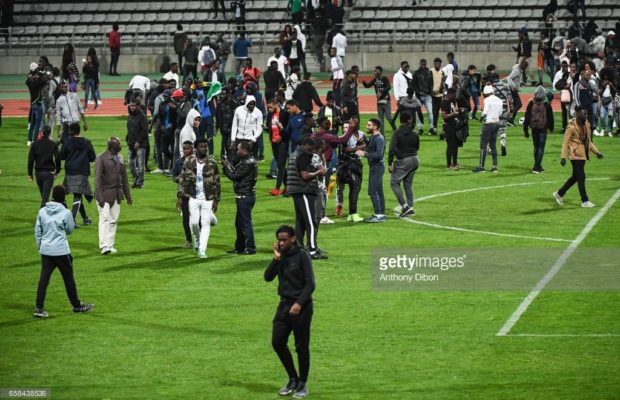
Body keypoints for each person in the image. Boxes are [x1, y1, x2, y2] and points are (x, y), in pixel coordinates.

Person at [264, 224, 315, 399]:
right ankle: (292, 378)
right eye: (279, 240)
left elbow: (310, 284)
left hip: (302, 307)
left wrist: (299, 303)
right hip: (284, 306)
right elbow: (267, 277)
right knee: (277, 342)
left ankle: (302, 384)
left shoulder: (302, 256)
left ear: (293, 239)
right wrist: (276, 259)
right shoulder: (281, 257)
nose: (281, 243)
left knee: (301, 346)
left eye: (285, 240)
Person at [34, 185, 94, 318]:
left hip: (46, 251)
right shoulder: (66, 212)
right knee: (68, 279)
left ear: (53, 196)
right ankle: (77, 306)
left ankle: (38, 308)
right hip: (61, 251)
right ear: (63, 198)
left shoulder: (43, 211)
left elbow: (38, 230)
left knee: (44, 279)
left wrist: (40, 246)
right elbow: (70, 230)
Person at [177, 137, 220, 258]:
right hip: (193, 196)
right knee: (194, 222)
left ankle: (202, 249)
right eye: (201, 146)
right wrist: (180, 196)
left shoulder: (212, 163)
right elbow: (182, 178)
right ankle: (195, 238)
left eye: (205, 146)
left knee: (205, 223)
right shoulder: (189, 161)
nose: (204, 148)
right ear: (196, 148)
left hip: (207, 198)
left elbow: (217, 182)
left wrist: (216, 200)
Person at [286, 137, 327, 260]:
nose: (313, 151)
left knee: (300, 222)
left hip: (296, 190)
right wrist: (318, 172)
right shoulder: (303, 155)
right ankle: (312, 250)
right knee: (310, 221)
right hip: (303, 190)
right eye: (312, 148)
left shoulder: (294, 154)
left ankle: (298, 248)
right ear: (307, 145)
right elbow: (305, 176)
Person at [553, 107, 603, 208]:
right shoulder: (571, 127)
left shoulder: (587, 125)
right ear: (578, 114)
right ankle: (584, 201)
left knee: (575, 177)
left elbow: (588, 142)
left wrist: (597, 152)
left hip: (583, 155)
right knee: (581, 177)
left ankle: (559, 194)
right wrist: (563, 157)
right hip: (574, 155)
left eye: (586, 114)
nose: (586, 116)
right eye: (584, 114)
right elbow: (565, 142)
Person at [94, 137, 133, 255]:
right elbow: (97, 180)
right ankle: (103, 246)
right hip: (104, 194)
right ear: (111, 146)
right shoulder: (101, 158)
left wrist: (128, 196)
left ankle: (110, 245)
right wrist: (99, 197)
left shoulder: (120, 158)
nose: (120, 146)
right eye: (118, 144)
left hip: (116, 194)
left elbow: (124, 178)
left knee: (113, 220)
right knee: (104, 218)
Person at [222, 141, 258, 254]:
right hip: (245, 195)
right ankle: (240, 247)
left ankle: (250, 248)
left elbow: (234, 176)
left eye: (238, 150)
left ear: (244, 150)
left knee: (245, 223)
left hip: (244, 197)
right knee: (239, 223)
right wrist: (228, 164)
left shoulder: (247, 163)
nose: (237, 152)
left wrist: (225, 167)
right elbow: (237, 172)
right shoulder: (248, 161)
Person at [58, 122, 96, 226]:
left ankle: (82, 218)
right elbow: (93, 157)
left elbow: (61, 156)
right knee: (78, 195)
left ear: (71, 131)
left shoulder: (67, 142)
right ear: (79, 131)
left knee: (76, 195)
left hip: (70, 171)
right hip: (82, 171)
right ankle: (73, 221)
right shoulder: (87, 142)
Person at [388, 112, 419, 218]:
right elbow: (417, 146)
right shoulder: (415, 133)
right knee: (407, 184)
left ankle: (405, 207)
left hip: (404, 161)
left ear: (400, 120)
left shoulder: (397, 133)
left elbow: (391, 149)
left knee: (394, 183)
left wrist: (390, 162)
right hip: (415, 159)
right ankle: (410, 207)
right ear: (409, 120)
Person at [356, 119, 386, 223]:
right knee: (379, 191)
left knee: (372, 191)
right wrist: (363, 143)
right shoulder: (373, 137)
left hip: (377, 167)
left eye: (369, 125)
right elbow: (370, 149)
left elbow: (379, 154)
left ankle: (378, 215)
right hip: (375, 167)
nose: (367, 126)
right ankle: (381, 214)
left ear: (375, 127)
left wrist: (364, 154)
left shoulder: (379, 139)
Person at [335, 121, 366, 221]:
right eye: (344, 127)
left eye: (347, 127)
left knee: (353, 189)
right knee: (343, 188)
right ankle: (342, 207)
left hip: (351, 164)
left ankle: (351, 213)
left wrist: (361, 143)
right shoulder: (343, 138)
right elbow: (343, 152)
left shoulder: (359, 135)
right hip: (346, 166)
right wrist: (359, 147)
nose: (345, 129)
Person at [28, 125, 61, 208]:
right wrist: (57, 170)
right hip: (49, 173)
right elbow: (58, 158)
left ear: (41, 132)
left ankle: (44, 217)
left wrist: (30, 174)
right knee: (45, 198)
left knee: (44, 197)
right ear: (50, 133)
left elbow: (31, 160)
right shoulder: (53, 144)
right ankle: (42, 218)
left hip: (38, 174)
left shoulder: (34, 144)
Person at [523, 86, 554, 173]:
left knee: (536, 147)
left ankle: (538, 165)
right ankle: (536, 167)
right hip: (543, 127)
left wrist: (525, 130)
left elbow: (527, 117)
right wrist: (551, 127)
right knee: (541, 148)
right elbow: (550, 117)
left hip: (534, 127)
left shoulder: (531, 103)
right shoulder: (547, 104)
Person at [473, 85, 503, 173]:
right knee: (493, 145)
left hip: (488, 124)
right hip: (496, 123)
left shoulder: (487, 100)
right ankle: (494, 167)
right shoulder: (499, 100)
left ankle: (481, 167)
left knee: (483, 146)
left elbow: (485, 112)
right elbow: (500, 113)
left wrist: (482, 116)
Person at [172, 140, 195, 248]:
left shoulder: (197, 161)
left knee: (196, 218)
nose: (186, 151)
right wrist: (180, 179)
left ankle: (198, 239)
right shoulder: (179, 162)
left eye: (188, 148)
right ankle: (189, 240)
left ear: (193, 149)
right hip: (184, 194)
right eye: (185, 148)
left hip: (195, 194)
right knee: (185, 218)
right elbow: (174, 176)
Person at [266, 99, 290, 196]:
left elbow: (288, 129)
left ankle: (277, 189)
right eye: (268, 107)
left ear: (276, 105)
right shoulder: (270, 114)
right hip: (274, 142)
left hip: (282, 142)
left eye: (271, 107)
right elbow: (270, 128)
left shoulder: (284, 114)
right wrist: (267, 129)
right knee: (281, 166)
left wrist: (281, 137)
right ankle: (287, 187)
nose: (269, 109)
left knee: (280, 165)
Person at [362, 66, 392, 134]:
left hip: (386, 101)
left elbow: (389, 87)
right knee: (381, 119)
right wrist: (364, 83)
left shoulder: (385, 79)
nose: (374, 72)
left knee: (389, 117)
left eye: (376, 71)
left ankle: (395, 130)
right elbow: (367, 86)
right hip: (379, 102)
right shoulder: (375, 79)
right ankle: (382, 133)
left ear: (380, 72)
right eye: (374, 71)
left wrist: (381, 92)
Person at [126, 99, 149, 188]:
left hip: (141, 144)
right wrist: (128, 140)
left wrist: (138, 142)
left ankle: (140, 183)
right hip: (131, 144)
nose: (132, 107)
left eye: (134, 106)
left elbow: (144, 131)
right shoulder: (130, 116)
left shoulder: (142, 117)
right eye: (131, 106)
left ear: (138, 106)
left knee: (140, 164)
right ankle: (136, 178)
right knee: (130, 163)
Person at [25, 62, 49, 146]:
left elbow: (28, 80)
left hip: (32, 104)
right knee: (38, 125)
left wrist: (35, 74)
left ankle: (29, 140)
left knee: (32, 124)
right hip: (38, 104)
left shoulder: (29, 80)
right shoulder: (36, 82)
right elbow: (45, 80)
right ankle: (34, 141)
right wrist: (40, 73)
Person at [412, 59, 434, 134]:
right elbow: (414, 85)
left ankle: (431, 127)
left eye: (424, 64)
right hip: (419, 96)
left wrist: (430, 93)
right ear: (420, 64)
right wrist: (419, 92)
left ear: (426, 64)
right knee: (418, 113)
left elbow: (431, 83)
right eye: (422, 64)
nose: (423, 65)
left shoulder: (429, 72)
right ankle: (420, 128)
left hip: (428, 96)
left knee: (430, 112)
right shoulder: (416, 73)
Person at [441, 88, 461, 170]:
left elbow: (452, 111)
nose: (455, 96)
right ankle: (449, 165)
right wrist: (453, 114)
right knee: (450, 145)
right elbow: (444, 116)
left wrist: (458, 111)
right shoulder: (444, 102)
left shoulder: (450, 102)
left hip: (454, 125)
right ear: (450, 94)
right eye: (454, 94)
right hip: (448, 126)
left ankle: (455, 164)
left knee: (455, 145)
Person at [506, 59, 528, 126]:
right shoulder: (517, 70)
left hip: (513, 89)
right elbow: (509, 78)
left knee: (516, 105)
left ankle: (510, 121)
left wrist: (520, 83)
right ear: (523, 66)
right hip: (512, 89)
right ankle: (509, 119)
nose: (526, 68)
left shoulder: (519, 69)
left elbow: (516, 79)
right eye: (526, 67)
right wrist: (515, 86)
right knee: (518, 104)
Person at [430, 58, 444, 135]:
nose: (438, 65)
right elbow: (429, 83)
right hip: (432, 95)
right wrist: (432, 91)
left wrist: (439, 90)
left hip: (440, 95)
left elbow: (443, 82)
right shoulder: (430, 71)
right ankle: (433, 127)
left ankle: (436, 127)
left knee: (439, 112)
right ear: (434, 64)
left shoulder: (442, 71)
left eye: (439, 64)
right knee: (433, 112)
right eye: (437, 63)